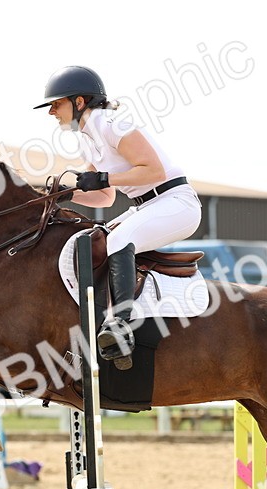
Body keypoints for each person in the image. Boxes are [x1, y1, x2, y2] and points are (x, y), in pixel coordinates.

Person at [35, 65, 202, 370]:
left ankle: (120, 327)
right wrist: (65, 193)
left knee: (120, 238)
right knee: (91, 240)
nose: (52, 112)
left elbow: (153, 171)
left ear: (80, 102)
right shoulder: (87, 136)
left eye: (56, 105)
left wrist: (103, 178)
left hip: (176, 202)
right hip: (147, 205)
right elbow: (104, 197)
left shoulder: (113, 124)